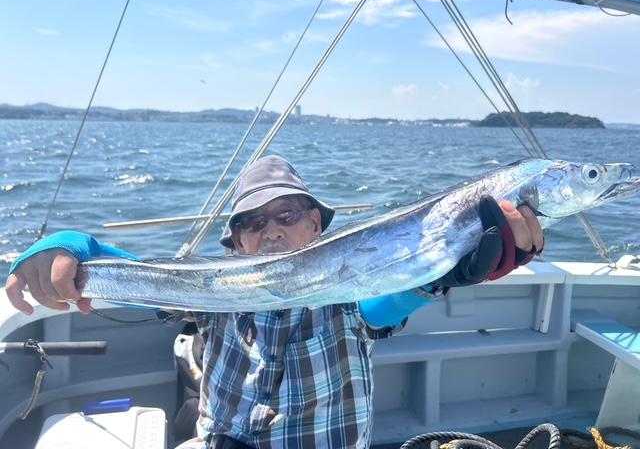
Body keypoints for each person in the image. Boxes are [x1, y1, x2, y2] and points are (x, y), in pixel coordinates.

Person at [4, 155, 543, 449]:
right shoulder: (214, 297)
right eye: (252, 223)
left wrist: (450, 272)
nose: (272, 231)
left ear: (316, 225)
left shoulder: (351, 293)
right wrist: (73, 247)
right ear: (236, 244)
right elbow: (148, 283)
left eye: (288, 215)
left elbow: (390, 302)